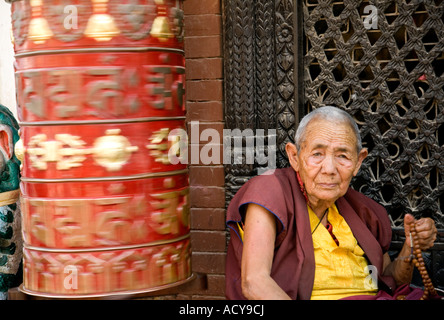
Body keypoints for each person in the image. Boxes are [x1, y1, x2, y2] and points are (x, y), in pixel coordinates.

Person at [225, 106, 437, 300]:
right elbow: (254, 282)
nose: (329, 168)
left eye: (343, 156)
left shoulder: (364, 212)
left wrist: (410, 247)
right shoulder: (269, 192)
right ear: (294, 157)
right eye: (317, 154)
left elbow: (389, 282)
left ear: (358, 162)